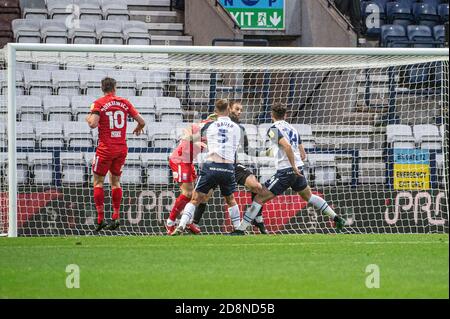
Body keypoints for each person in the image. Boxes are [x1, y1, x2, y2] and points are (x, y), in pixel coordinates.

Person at [231, 103, 345, 235]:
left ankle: (240, 229)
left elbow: (287, 146)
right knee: (309, 196)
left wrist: (292, 166)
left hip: (286, 171)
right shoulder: (293, 129)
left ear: (271, 115)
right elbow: (303, 154)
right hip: (299, 171)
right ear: (285, 115)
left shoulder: (273, 130)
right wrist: (296, 164)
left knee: (259, 197)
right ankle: (336, 218)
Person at [191, 101, 268, 234]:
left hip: (233, 165)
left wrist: (264, 152)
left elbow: (247, 150)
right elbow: (199, 137)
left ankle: (258, 218)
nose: (239, 112)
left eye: (241, 110)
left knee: (257, 187)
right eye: (237, 109)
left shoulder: (239, 128)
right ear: (229, 109)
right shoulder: (214, 123)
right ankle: (193, 224)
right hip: (215, 164)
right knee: (204, 197)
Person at [171, 99, 242, 236]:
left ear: (216, 111)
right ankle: (238, 228)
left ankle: (181, 226)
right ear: (228, 110)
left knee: (195, 198)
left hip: (211, 166)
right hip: (227, 167)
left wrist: (191, 138)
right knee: (230, 199)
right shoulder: (236, 127)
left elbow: (191, 137)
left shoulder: (211, 126)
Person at [86, 77, 145, 232]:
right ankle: (116, 217)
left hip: (105, 149)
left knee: (98, 182)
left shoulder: (99, 103)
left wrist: (89, 115)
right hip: (121, 148)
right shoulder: (124, 102)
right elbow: (142, 121)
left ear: (102, 88)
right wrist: (139, 127)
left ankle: (100, 220)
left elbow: (93, 124)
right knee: (116, 181)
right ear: (115, 87)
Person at [165, 112, 217, 235]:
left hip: (188, 162)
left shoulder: (212, 135)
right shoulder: (195, 127)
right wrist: (199, 138)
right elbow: (186, 137)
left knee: (195, 194)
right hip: (180, 159)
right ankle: (170, 223)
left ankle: (188, 222)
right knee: (187, 193)